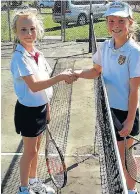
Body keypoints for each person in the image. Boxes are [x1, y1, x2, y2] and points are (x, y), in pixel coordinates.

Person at [73, 1, 140, 194]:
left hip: (126, 112)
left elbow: (134, 90)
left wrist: (129, 120)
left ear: (129, 22)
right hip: (108, 109)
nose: (115, 25)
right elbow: (96, 71)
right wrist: (78, 73)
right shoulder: (104, 47)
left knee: (126, 157)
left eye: (121, 21)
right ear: (106, 23)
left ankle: (131, 191)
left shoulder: (135, 52)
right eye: (111, 20)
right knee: (115, 155)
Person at [10, 9, 76, 194]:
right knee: (29, 152)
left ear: (37, 30)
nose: (29, 33)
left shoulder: (37, 53)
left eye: (32, 28)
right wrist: (61, 77)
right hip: (27, 112)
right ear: (16, 32)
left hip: (39, 109)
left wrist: (47, 108)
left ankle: (34, 182)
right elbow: (35, 86)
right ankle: (23, 190)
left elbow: (44, 87)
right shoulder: (19, 58)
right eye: (23, 30)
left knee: (36, 150)